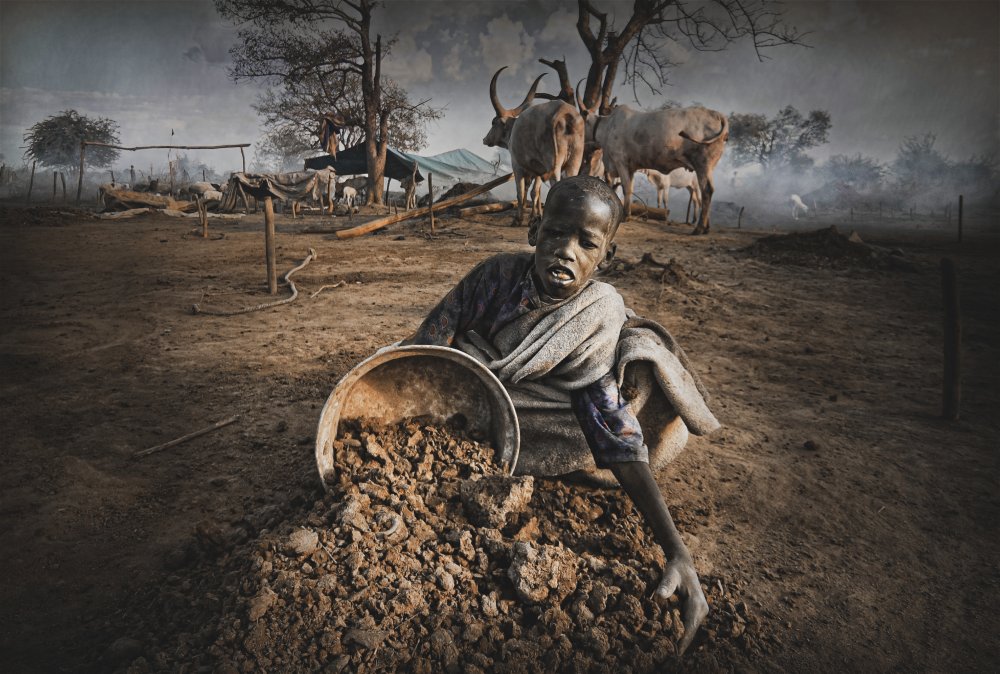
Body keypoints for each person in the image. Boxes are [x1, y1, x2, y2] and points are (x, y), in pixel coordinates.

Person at [403, 175, 711, 654]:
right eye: (554, 234)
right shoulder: (495, 277)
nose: (566, 251)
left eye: (586, 242)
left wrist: (677, 551)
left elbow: (611, 428)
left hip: (548, 410)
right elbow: (427, 345)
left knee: (613, 405)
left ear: (606, 255)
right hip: (478, 387)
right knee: (446, 394)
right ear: (534, 232)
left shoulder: (595, 315)